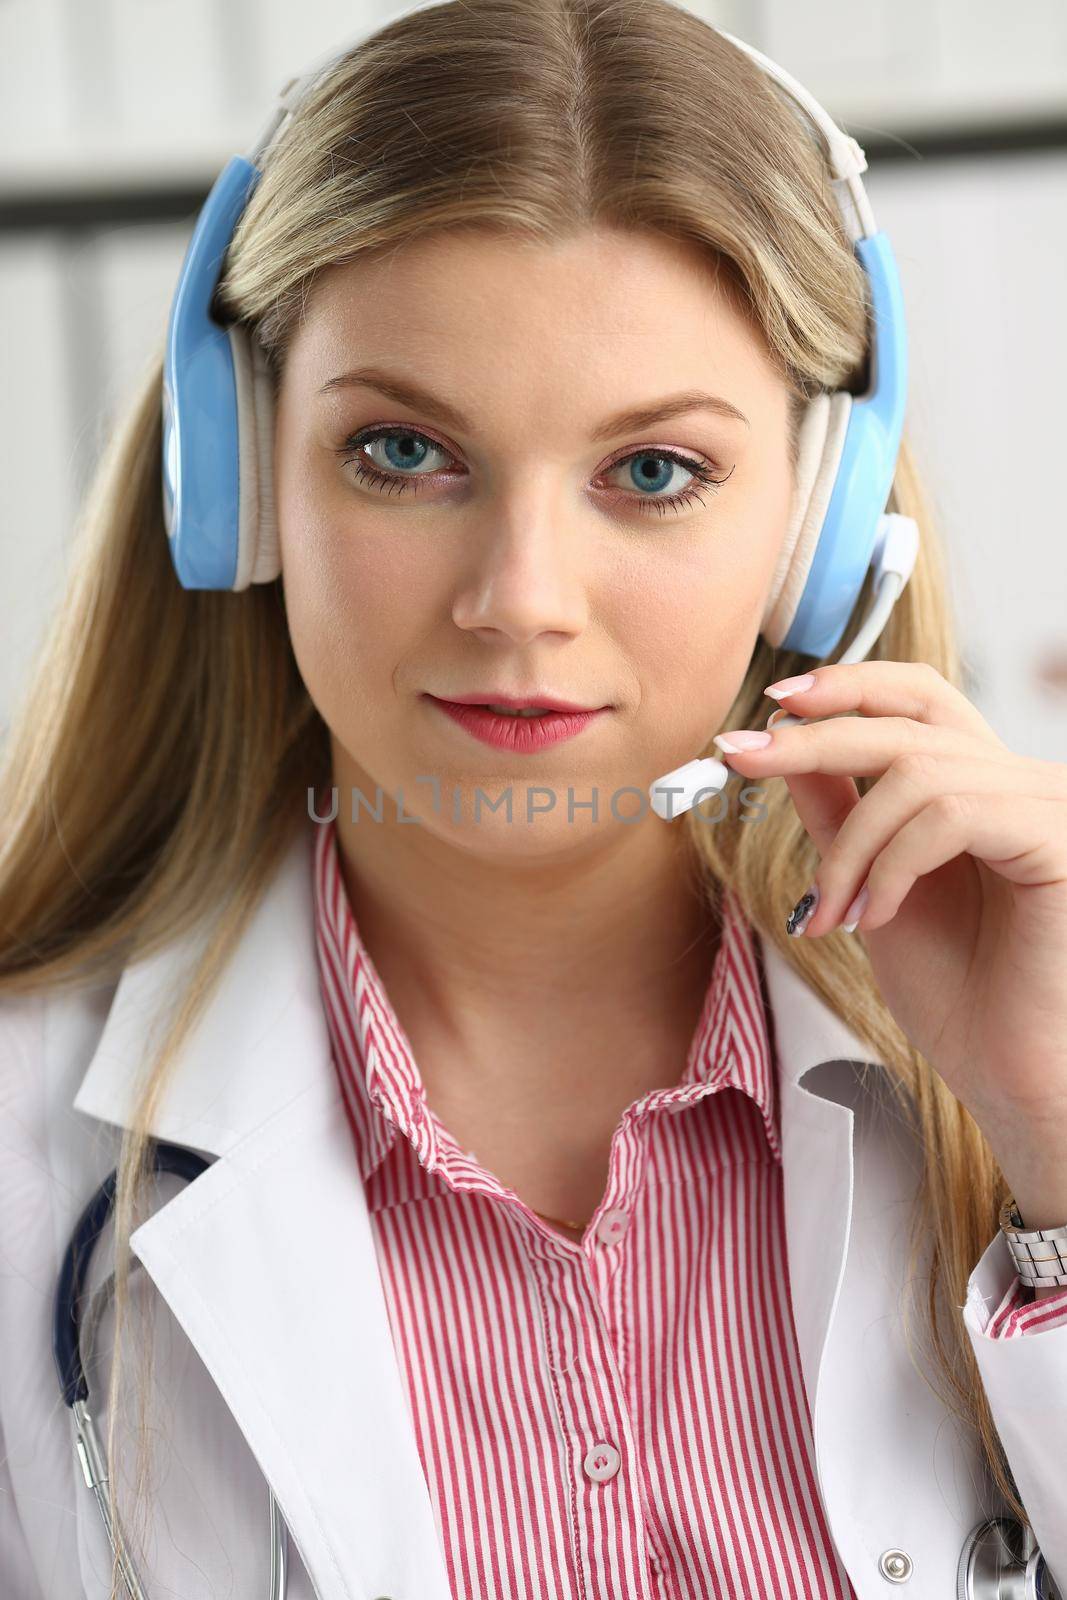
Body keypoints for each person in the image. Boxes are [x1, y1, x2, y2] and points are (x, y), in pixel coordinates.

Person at [2, 3, 1067, 1597]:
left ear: (820, 524)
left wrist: (1053, 1138)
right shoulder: (29, 1152)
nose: (520, 600)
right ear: (242, 478)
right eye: (405, 451)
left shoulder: (1021, 1067)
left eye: (652, 474)